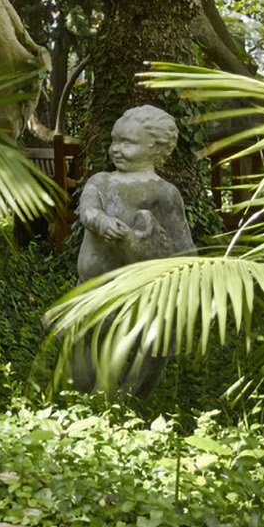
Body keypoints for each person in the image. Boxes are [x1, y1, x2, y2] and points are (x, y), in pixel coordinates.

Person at [67, 104, 196, 393]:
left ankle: (132, 400)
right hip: (95, 287)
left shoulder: (164, 193)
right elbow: (87, 211)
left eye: (127, 143)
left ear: (155, 147)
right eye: (115, 140)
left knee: (148, 349)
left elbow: (183, 246)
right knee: (86, 354)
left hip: (142, 292)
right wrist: (102, 222)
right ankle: (85, 399)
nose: (117, 149)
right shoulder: (102, 181)